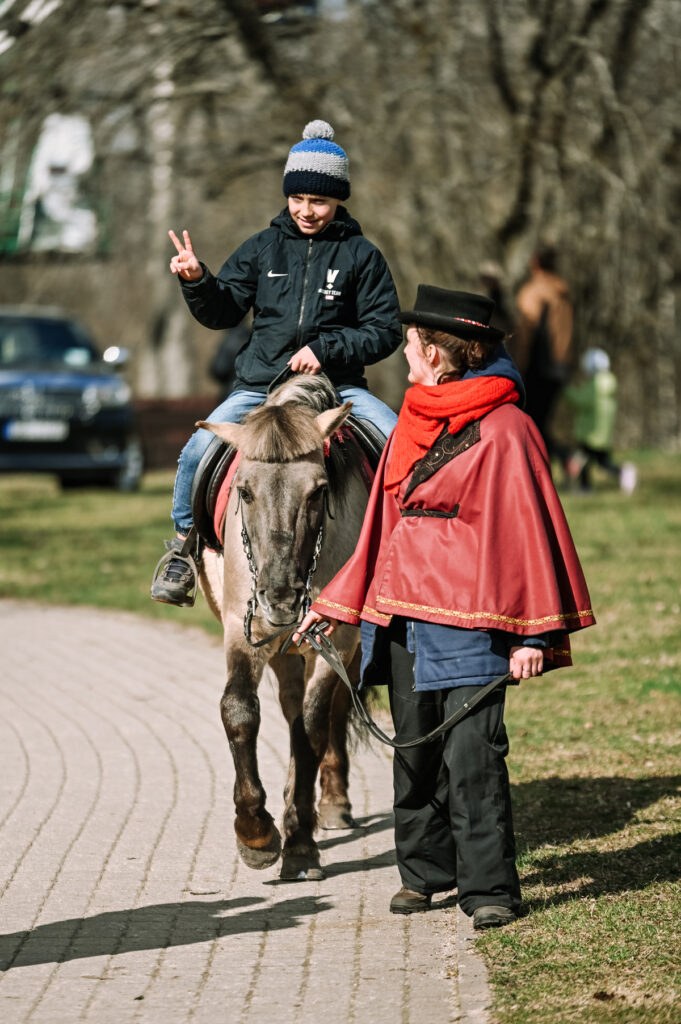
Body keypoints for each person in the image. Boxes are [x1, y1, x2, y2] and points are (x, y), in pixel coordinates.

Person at [293, 285, 595, 929]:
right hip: (404, 613)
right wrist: (338, 600)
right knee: (414, 749)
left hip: (476, 619)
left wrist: (532, 637)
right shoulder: (413, 417)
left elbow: (529, 532)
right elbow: (382, 522)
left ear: (438, 353)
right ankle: (425, 873)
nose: (405, 357)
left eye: (411, 347)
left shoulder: (508, 428)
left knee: (473, 757)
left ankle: (489, 889)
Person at [151, 119, 402, 606]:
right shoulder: (263, 247)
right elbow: (222, 310)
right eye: (298, 199)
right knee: (197, 452)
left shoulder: (361, 256)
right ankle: (184, 549)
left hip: (340, 389)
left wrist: (327, 350)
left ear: (338, 201)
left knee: (396, 444)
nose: (306, 211)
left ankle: (405, 555)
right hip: (258, 388)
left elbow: (384, 330)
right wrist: (198, 279)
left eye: (319, 201)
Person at [514, 244, 574, 473]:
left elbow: (527, 332)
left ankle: (548, 468)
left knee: (529, 423)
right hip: (560, 366)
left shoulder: (534, 292)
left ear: (535, 264)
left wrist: (517, 364)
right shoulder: (564, 293)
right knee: (541, 421)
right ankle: (560, 463)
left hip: (537, 366)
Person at [565, 348, 637, 494]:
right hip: (602, 434)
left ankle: (585, 487)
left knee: (583, 460)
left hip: (590, 433)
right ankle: (623, 472)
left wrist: (565, 389)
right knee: (603, 463)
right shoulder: (608, 385)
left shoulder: (595, 386)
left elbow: (580, 400)